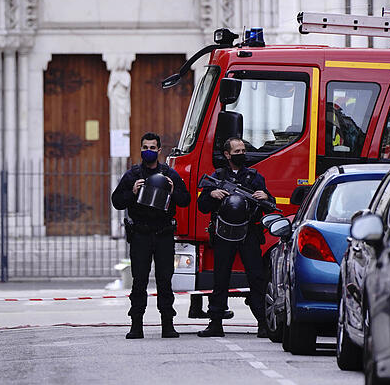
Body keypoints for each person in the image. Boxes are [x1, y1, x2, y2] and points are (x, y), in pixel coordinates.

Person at [111, 132, 190, 339]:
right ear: (140, 149)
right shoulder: (133, 175)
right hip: (140, 235)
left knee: (165, 280)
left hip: (163, 233)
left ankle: (168, 325)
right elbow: (117, 201)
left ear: (159, 150)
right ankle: (136, 324)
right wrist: (133, 193)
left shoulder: (168, 174)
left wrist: (172, 191)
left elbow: (185, 200)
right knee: (139, 281)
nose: (148, 151)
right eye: (145, 147)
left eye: (152, 148)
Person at [196, 136, 274, 338]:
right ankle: (215, 323)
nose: (241, 154)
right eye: (237, 152)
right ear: (227, 154)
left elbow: (269, 204)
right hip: (224, 234)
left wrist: (265, 197)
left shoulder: (254, 177)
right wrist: (212, 194)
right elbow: (202, 205)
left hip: (248, 233)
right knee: (221, 278)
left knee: (256, 277)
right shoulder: (218, 176)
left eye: (243, 151)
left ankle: (263, 323)